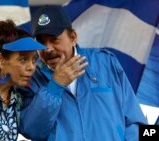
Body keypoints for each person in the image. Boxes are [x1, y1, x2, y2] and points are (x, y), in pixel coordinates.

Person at [19, 5, 147, 141]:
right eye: (41, 42)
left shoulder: (105, 63)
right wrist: (55, 86)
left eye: (54, 39)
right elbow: (33, 131)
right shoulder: (30, 79)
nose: (48, 49)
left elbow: (135, 121)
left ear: (73, 37)